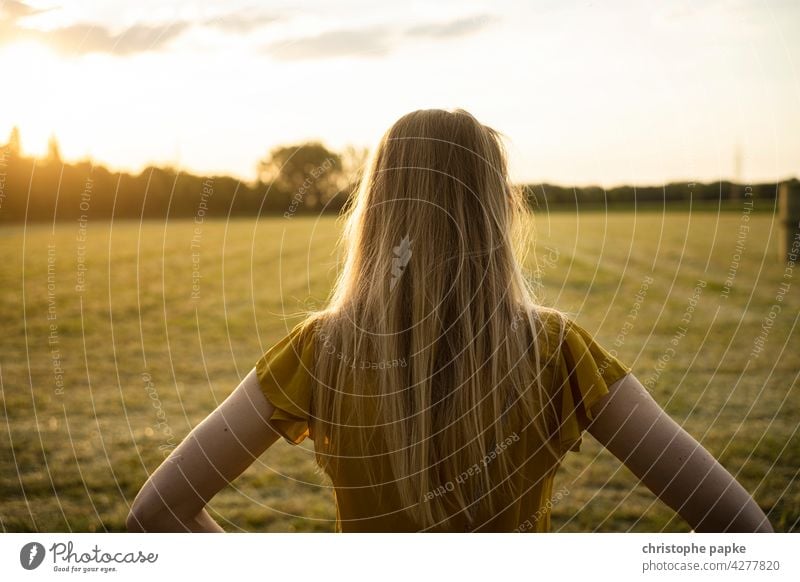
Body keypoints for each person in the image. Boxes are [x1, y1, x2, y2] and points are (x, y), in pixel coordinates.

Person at [127, 109, 772, 533]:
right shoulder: (557, 350)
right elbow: (745, 531)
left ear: (376, 211)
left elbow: (158, 511)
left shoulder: (322, 351)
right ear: (498, 212)